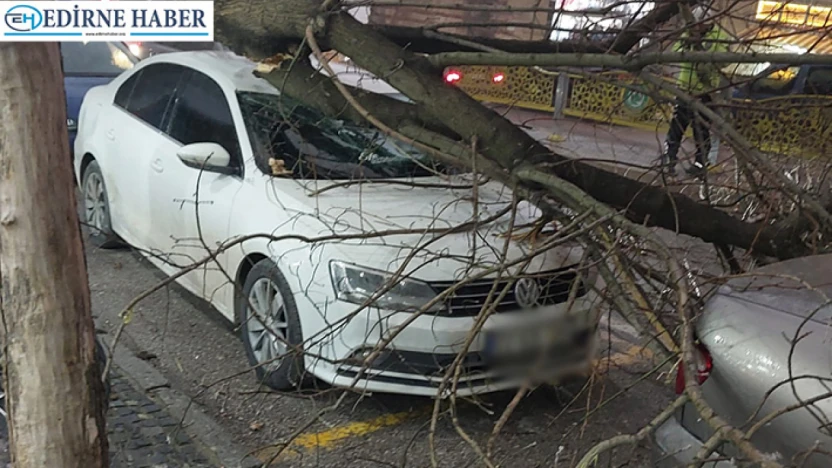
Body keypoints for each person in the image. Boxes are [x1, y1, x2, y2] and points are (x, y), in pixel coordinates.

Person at [661, 5, 731, 177]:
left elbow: (724, 61)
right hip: (684, 89)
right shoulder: (688, 34)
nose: (696, 27)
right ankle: (670, 159)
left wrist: (704, 58)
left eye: (699, 24)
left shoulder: (720, 38)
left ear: (708, 23)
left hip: (705, 92)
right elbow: (676, 51)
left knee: (701, 130)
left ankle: (700, 165)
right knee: (676, 128)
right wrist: (688, 46)